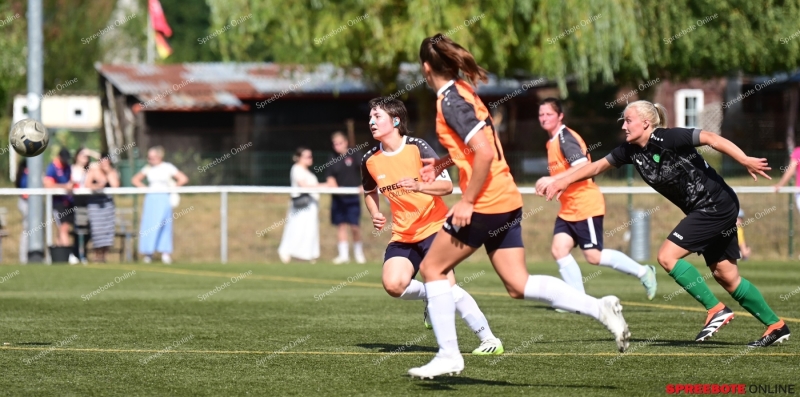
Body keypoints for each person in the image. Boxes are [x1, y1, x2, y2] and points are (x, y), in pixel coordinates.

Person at [408, 34, 630, 379]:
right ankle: (599, 307)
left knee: (433, 269)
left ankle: (449, 355)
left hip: (485, 201)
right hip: (506, 196)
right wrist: (442, 163)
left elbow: (482, 151)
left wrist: (466, 201)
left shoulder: (449, 100)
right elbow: (476, 147)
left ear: (425, 68)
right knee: (518, 284)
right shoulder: (465, 91)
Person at [540, 100, 790, 348]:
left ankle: (716, 309)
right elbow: (595, 166)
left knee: (667, 256)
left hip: (715, 204)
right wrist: (562, 181)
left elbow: (712, 138)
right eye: (623, 121)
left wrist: (744, 159)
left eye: (628, 120)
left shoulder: (668, 138)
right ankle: (776, 326)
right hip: (705, 209)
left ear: (646, 123)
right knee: (726, 276)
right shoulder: (630, 151)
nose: (624, 126)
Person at [362, 96, 503, 355]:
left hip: (436, 229)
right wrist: (375, 213)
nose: (371, 122)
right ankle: (430, 294)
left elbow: (448, 186)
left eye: (377, 117)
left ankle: (489, 339)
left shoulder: (417, 147)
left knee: (448, 287)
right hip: (403, 235)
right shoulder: (370, 159)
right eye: (370, 117)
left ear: (395, 121)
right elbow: (369, 191)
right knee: (394, 285)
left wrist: (419, 186)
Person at [536, 98, 657, 300]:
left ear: (560, 116)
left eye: (549, 114)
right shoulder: (552, 141)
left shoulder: (565, 137)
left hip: (585, 204)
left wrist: (552, 179)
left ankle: (643, 271)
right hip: (569, 207)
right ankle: (578, 299)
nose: (544, 118)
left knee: (593, 256)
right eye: (541, 114)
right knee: (559, 249)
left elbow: (582, 165)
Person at [132, 146, 189, 264]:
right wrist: (146, 189)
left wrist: (172, 188)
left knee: (165, 224)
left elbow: (183, 178)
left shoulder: (167, 167)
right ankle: (149, 253)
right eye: (149, 158)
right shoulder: (148, 168)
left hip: (163, 198)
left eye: (152, 157)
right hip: (151, 198)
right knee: (149, 225)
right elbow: (135, 180)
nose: (150, 160)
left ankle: (165, 253)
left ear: (159, 157)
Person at [325, 132, 366, 264]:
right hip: (338, 198)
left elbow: (365, 169)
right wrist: (333, 185)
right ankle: (343, 255)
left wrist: (363, 184)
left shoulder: (355, 155)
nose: (337, 146)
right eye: (335, 144)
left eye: (340, 143)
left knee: (354, 226)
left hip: (353, 197)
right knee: (341, 226)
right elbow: (329, 176)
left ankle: (359, 254)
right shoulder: (332, 158)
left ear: (346, 142)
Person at [278, 147, 321, 264]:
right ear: (299, 158)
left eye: (311, 156)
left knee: (308, 230)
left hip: (311, 206)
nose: (310, 159)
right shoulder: (296, 169)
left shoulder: (307, 171)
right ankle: (287, 251)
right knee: (296, 229)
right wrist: (322, 186)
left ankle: (304, 255)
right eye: (307, 156)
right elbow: (303, 185)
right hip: (301, 206)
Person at [85, 154, 120, 263]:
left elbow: (115, 186)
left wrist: (108, 172)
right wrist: (97, 187)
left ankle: (104, 256)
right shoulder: (93, 171)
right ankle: (97, 255)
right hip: (95, 205)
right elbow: (87, 184)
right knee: (97, 230)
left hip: (108, 205)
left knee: (107, 230)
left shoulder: (112, 172)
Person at [69, 148, 98, 264]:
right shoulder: (71, 169)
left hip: (89, 201)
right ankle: (76, 253)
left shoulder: (91, 168)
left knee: (90, 229)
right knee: (79, 228)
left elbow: (105, 159)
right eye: (82, 155)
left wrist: (90, 152)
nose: (84, 157)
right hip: (75, 201)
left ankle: (81, 253)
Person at [43, 148, 74, 248]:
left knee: (63, 229)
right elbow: (48, 185)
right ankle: (68, 254)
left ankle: (60, 255)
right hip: (57, 203)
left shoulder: (68, 167)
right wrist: (65, 187)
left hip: (68, 202)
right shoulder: (52, 167)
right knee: (63, 227)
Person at [16, 159, 29, 264]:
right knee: (27, 230)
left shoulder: (24, 173)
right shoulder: (25, 175)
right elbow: (25, 193)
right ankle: (23, 258)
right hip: (26, 203)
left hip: (26, 203)